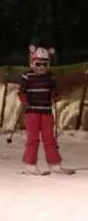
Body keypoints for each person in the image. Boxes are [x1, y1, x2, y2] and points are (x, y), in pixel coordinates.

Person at [18, 45, 73, 175]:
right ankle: (30, 165)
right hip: (32, 112)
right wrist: (25, 99)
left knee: (49, 138)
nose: (41, 67)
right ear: (32, 63)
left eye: (45, 64)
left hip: (46, 112)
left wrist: (55, 96)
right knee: (33, 138)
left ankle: (54, 164)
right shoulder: (27, 76)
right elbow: (21, 92)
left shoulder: (50, 77)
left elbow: (52, 90)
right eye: (38, 64)